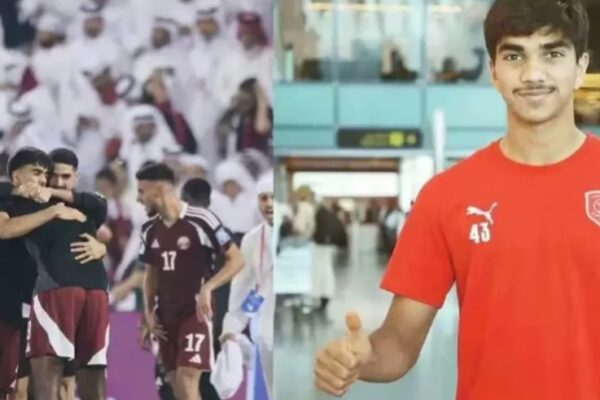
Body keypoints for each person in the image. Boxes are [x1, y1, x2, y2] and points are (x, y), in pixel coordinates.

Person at [314, 1, 598, 399]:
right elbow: (397, 345)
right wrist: (360, 359)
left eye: (552, 54)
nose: (533, 73)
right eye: (514, 55)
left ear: (581, 67)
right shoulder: (447, 195)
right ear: (493, 71)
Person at [0, 147, 107, 400]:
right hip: (10, 303)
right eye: (37, 173)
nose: (46, 181)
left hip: (43, 298)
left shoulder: (62, 204)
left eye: (45, 175)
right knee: (17, 387)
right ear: (15, 176)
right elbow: (4, 229)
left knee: (63, 381)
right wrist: (50, 209)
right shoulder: (9, 201)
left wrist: (101, 247)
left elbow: (99, 207)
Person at [136, 163, 244, 400]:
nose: (138, 199)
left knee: (187, 377)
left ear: (158, 190)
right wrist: (148, 312)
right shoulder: (148, 229)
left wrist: (209, 287)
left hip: (195, 314)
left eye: (141, 192)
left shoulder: (202, 219)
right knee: (177, 388)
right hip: (165, 317)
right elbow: (151, 274)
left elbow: (236, 259)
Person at [221, 172, 274, 399]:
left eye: (274, 197)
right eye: (263, 198)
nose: (269, 204)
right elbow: (241, 291)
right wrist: (230, 329)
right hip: (265, 335)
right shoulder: (252, 240)